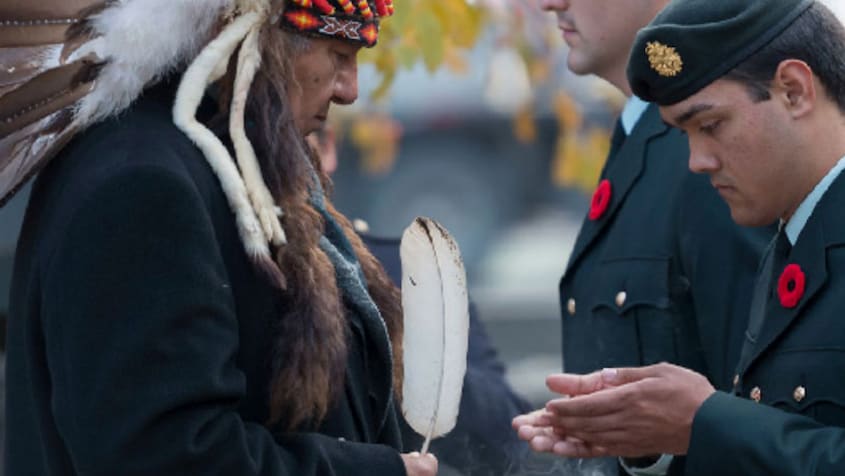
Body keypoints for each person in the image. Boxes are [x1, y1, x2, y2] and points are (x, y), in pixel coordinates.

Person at [3, 1, 438, 475]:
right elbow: (164, 458)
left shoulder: (212, 171)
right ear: (256, 39)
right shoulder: (141, 187)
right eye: (338, 53)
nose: (350, 90)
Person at [515, 0, 845, 474]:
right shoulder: (792, 238)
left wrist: (702, 421)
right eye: (685, 133)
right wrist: (658, 435)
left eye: (711, 126)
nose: (697, 161)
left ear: (793, 90)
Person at [309, 127, 535, 475]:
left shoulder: (404, 269)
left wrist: (407, 350)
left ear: (328, 150)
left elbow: (506, 429)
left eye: (299, 141)